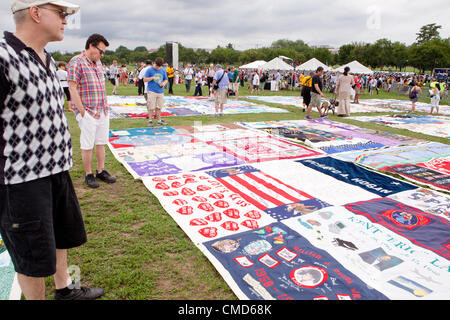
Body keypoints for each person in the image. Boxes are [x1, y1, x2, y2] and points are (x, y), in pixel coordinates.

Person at [1, 0, 105, 300]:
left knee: (61, 236)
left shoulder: (45, 57)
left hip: (56, 170)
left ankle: (65, 290)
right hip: (21, 180)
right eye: (60, 13)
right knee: (32, 259)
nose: (65, 20)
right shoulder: (4, 57)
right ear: (35, 12)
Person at [68, 33, 117, 189]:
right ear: (91, 46)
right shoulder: (77, 62)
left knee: (101, 142)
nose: (102, 54)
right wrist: (82, 112)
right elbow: (72, 87)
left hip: (102, 109)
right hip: (88, 110)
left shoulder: (98, 63)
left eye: (103, 52)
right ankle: (88, 173)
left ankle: (100, 170)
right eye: (100, 51)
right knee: (87, 144)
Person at [144, 57, 168, 126]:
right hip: (152, 91)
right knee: (151, 106)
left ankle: (159, 120)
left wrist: (163, 83)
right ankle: (150, 121)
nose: (158, 68)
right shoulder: (149, 70)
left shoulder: (163, 70)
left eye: (159, 66)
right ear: (155, 63)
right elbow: (144, 79)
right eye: (157, 66)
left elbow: (166, 79)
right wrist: (152, 78)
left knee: (159, 107)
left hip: (160, 91)